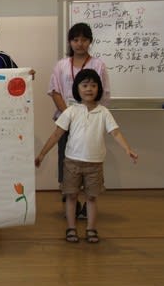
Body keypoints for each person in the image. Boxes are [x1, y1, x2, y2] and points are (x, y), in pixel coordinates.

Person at [35, 69, 137, 243]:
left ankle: (91, 229)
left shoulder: (104, 112)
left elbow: (115, 132)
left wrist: (128, 149)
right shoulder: (71, 111)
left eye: (93, 85)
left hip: (94, 164)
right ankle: (71, 228)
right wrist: (42, 154)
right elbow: (56, 134)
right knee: (71, 196)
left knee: (91, 197)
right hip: (72, 163)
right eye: (85, 85)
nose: (89, 89)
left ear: (99, 89)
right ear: (77, 88)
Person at [48, 22, 110, 220]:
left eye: (84, 39)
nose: (80, 43)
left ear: (90, 41)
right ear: (70, 42)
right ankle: (70, 201)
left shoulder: (98, 65)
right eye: (75, 39)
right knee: (65, 162)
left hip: (90, 123)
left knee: (89, 162)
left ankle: (86, 203)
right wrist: (70, 115)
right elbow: (55, 91)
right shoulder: (61, 65)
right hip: (66, 121)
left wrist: (86, 116)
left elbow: (103, 93)